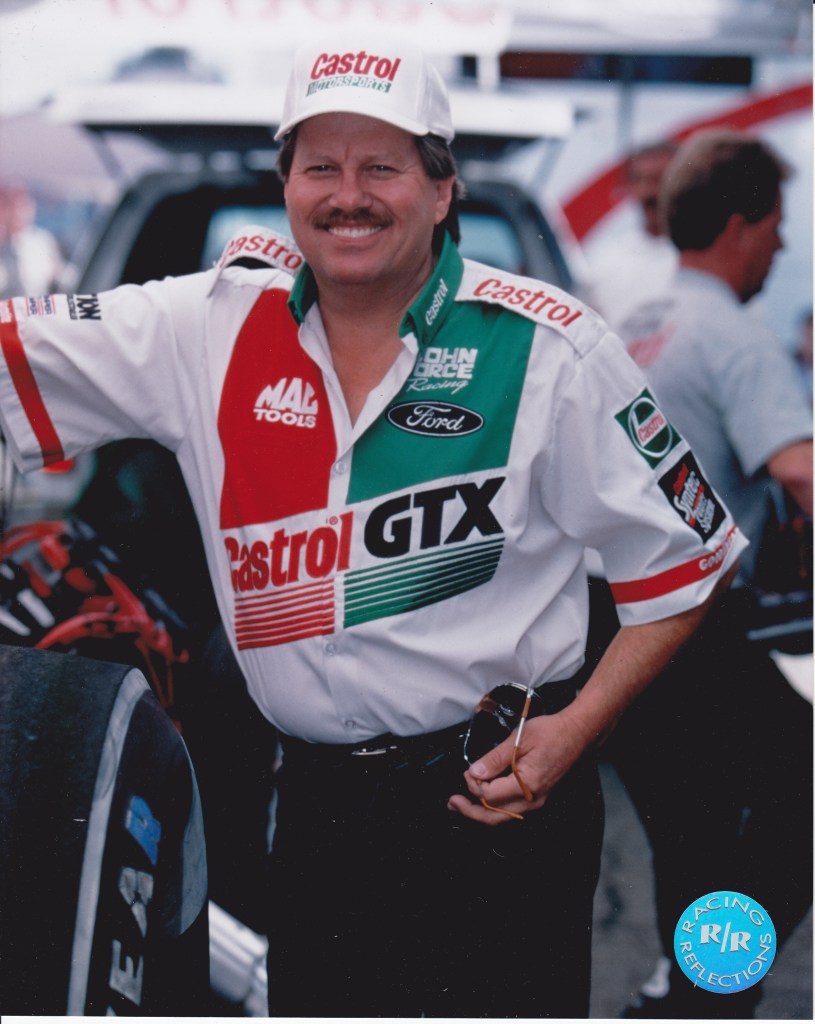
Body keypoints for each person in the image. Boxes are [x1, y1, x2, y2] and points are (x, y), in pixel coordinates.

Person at [0, 36, 746, 1017]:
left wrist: (577, 729)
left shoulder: (549, 347)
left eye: (381, 168)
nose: (347, 196)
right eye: (320, 167)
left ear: (440, 190)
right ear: (287, 185)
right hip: (314, 813)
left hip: (495, 808)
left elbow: (687, 564)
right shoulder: (204, 326)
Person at [607, 129, 813, 1018]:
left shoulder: (634, 327)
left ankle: (686, 992)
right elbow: (799, 471)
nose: (781, 243)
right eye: (775, 224)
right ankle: (704, 990)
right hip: (688, 626)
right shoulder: (732, 333)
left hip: (609, 625)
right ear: (738, 226)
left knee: (689, 834)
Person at [586, 141, 678, 330]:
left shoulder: (709, 255)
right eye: (640, 180)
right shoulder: (603, 262)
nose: (649, 192)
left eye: (660, 179)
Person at [0, 184, 63, 298]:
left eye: (24, 207)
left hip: (37, 302)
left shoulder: (42, 241)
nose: (19, 213)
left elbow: (56, 275)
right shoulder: (3, 243)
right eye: (13, 207)